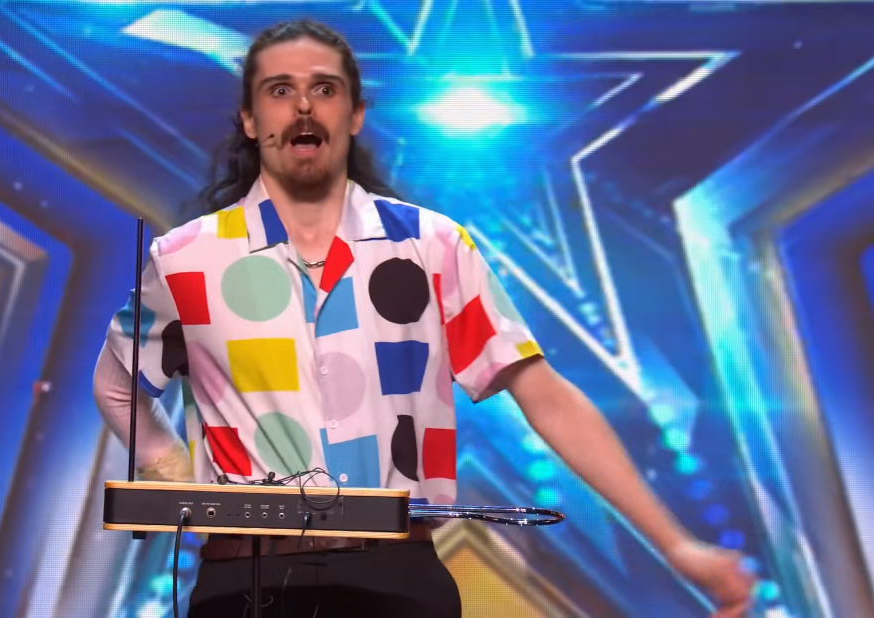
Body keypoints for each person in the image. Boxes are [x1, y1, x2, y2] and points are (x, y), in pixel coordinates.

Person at [93, 18, 755, 618]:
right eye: (280, 90)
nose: (303, 106)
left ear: (355, 114)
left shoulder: (431, 247)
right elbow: (117, 383)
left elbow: (545, 397)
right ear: (248, 118)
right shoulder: (186, 258)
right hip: (245, 584)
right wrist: (176, 476)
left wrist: (677, 545)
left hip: (397, 580)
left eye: (324, 89)